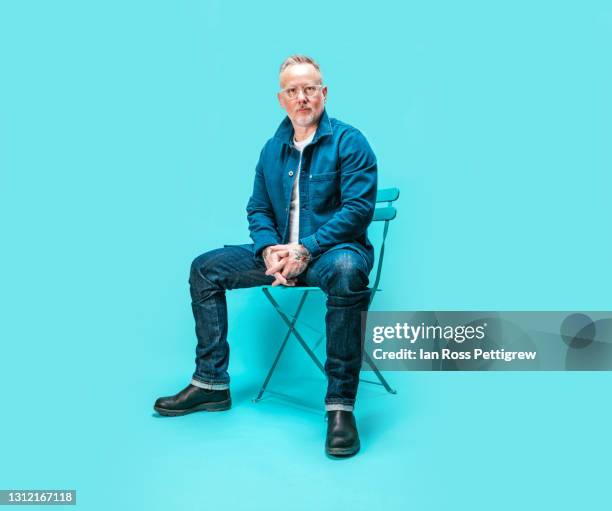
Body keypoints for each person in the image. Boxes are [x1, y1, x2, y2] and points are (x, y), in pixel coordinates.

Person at [154, 55, 377, 458]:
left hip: (331, 254)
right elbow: (257, 208)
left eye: (309, 89)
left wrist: (305, 249)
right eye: (293, 91)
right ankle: (210, 384)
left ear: (323, 93)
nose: (302, 98)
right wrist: (269, 249)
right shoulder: (271, 150)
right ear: (282, 99)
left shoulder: (351, 142)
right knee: (204, 268)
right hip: (278, 255)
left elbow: (357, 210)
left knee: (347, 271)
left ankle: (340, 408)